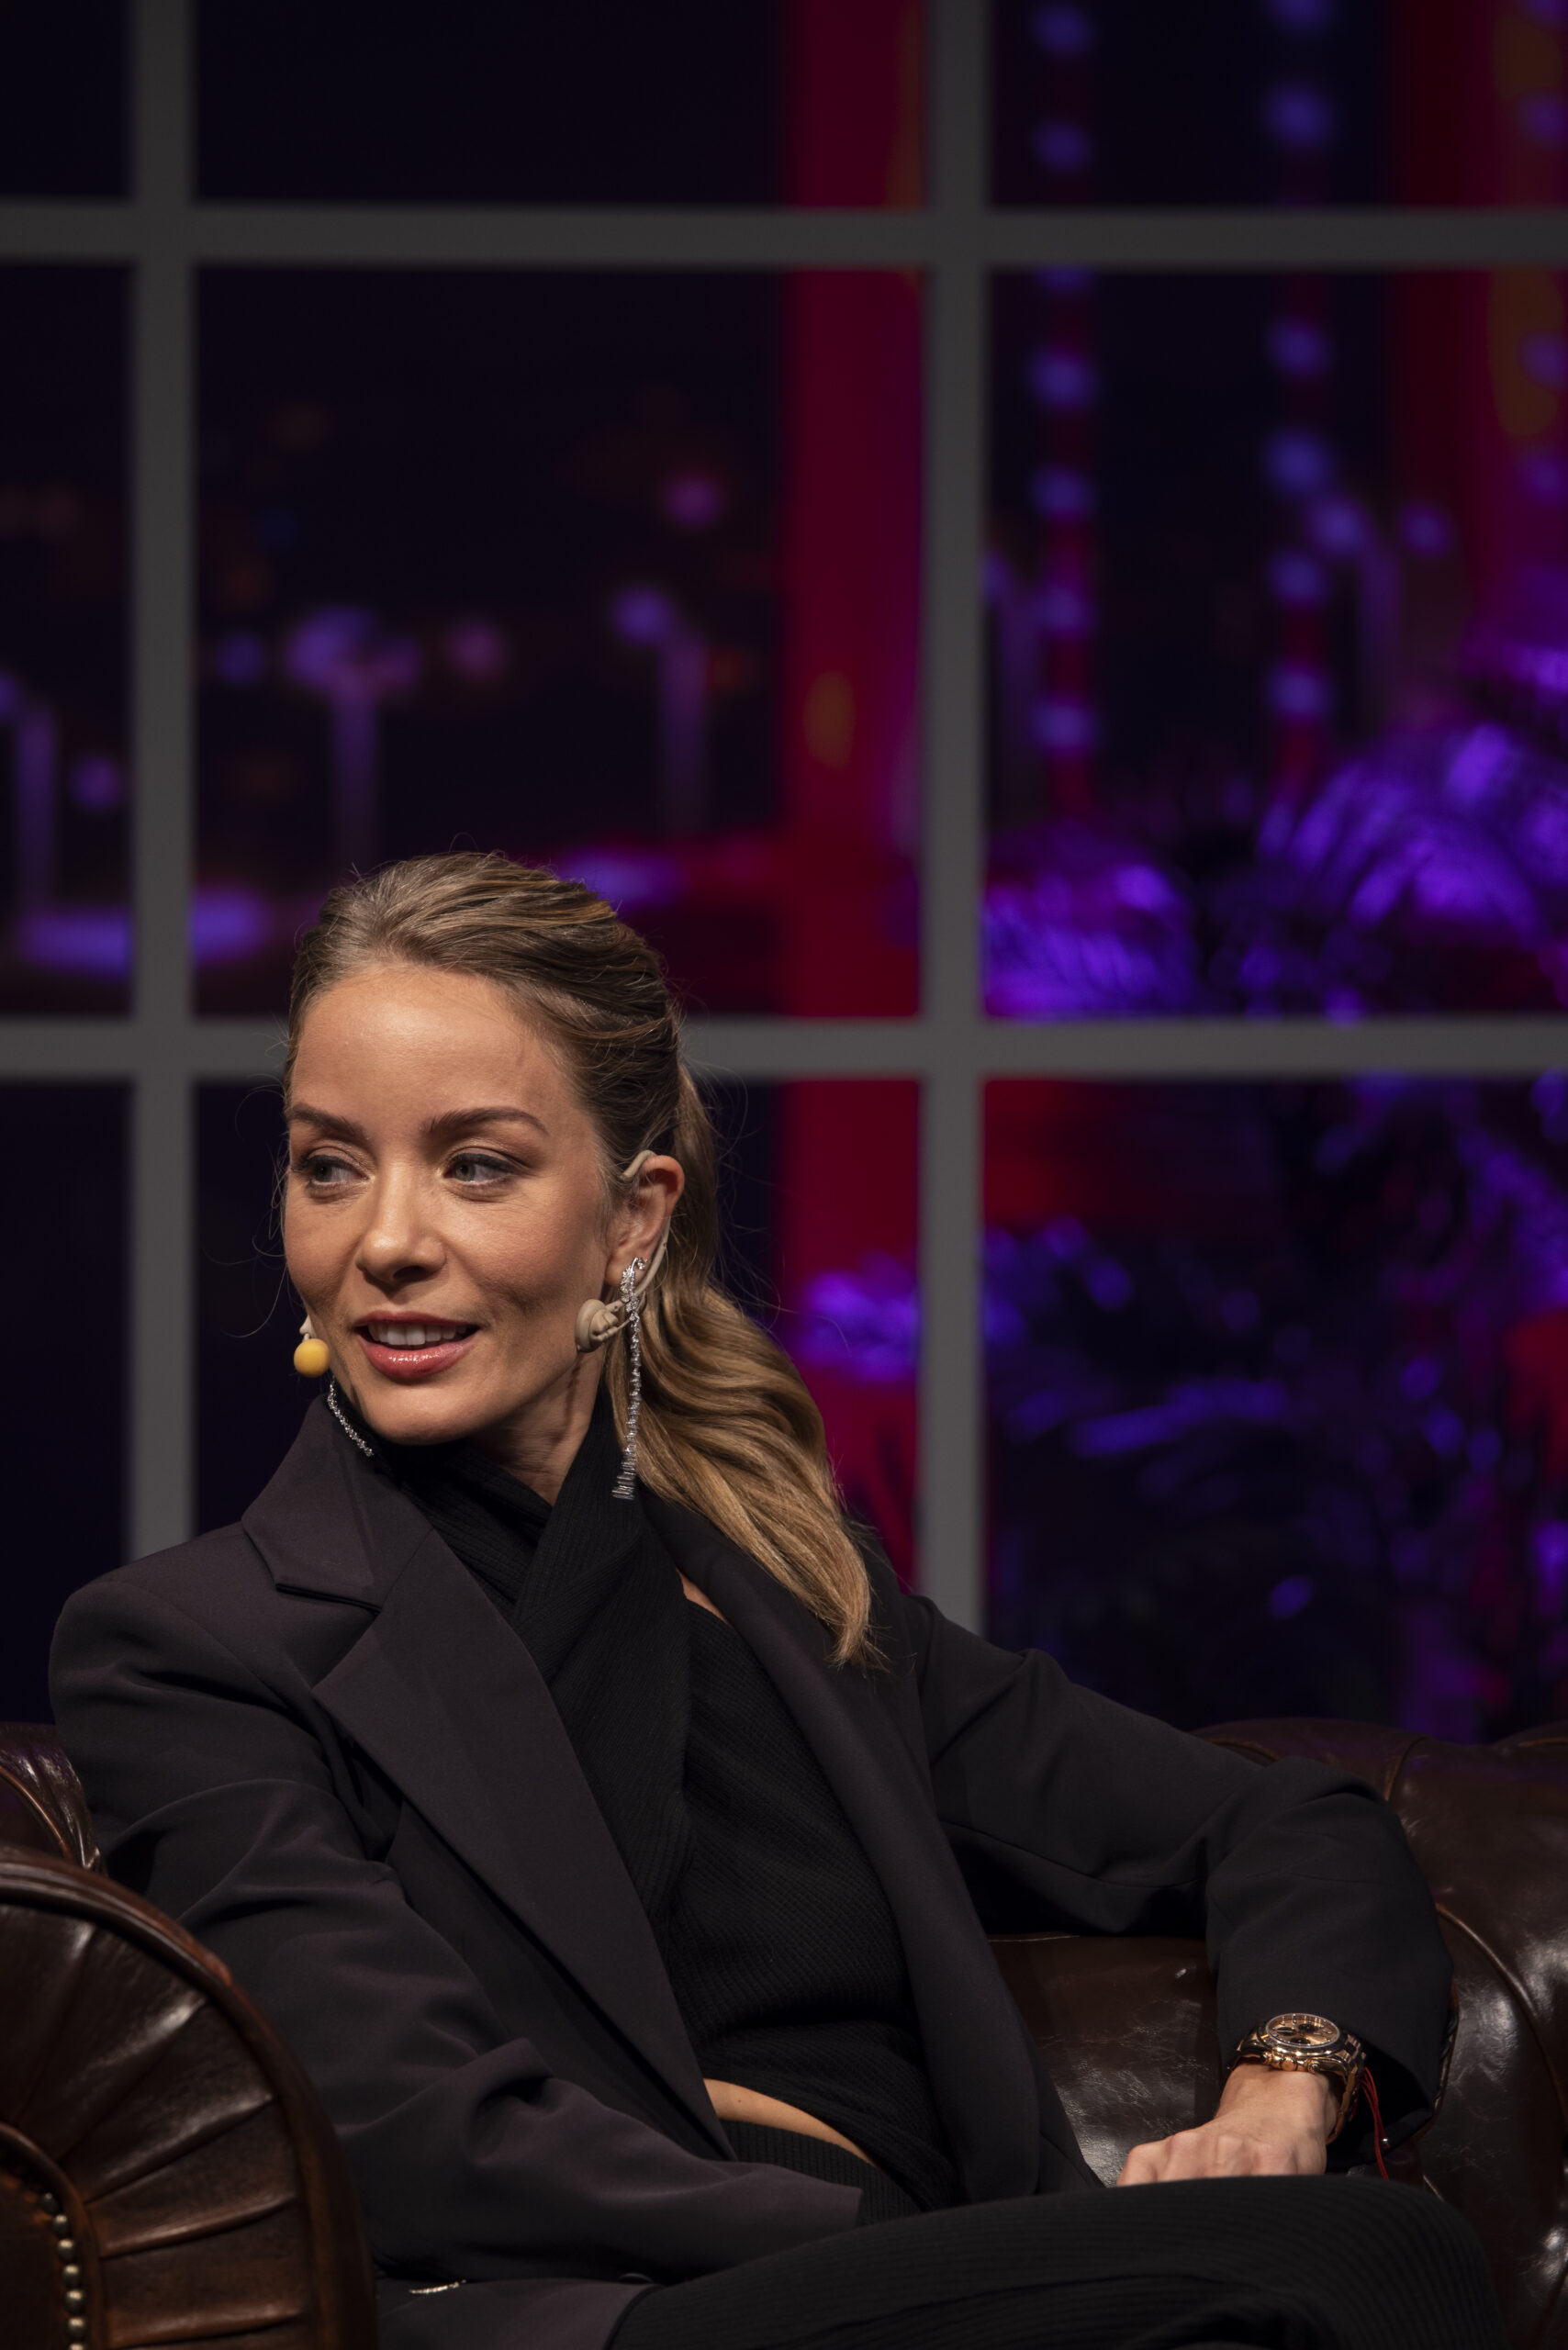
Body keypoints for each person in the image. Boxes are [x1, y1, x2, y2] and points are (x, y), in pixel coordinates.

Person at [51, 853, 1505, 2350]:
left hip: (945, 2293)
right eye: (330, 1166)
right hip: (621, 2313)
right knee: (1360, 2266)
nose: (385, 1240)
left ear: (633, 1218)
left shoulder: (793, 1600)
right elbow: (412, 2133)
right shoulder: (189, 1647)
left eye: (475, 1165)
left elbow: (1284, 1823)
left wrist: (1284, 2083)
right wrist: (955, 2258)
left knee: (1341, 2265)